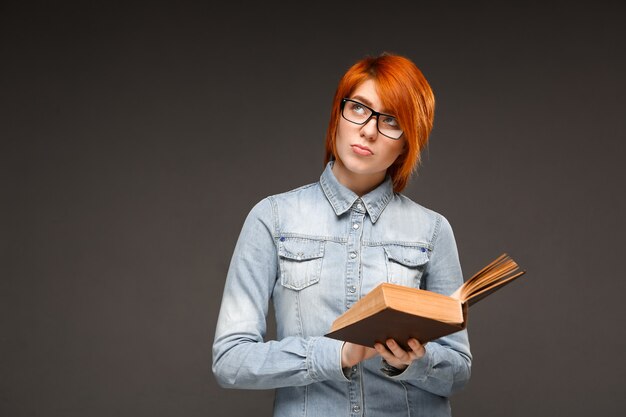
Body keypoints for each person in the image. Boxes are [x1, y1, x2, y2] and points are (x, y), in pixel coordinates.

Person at [212, 52, 471, 417]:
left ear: (406, 144)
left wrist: (413, 362)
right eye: (359, 108)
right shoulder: (272, 218)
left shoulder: (432, 230)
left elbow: (458, 371)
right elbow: (230, 360)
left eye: (391, 121)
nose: (368, 129)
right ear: (339, 113)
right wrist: (337, 354)